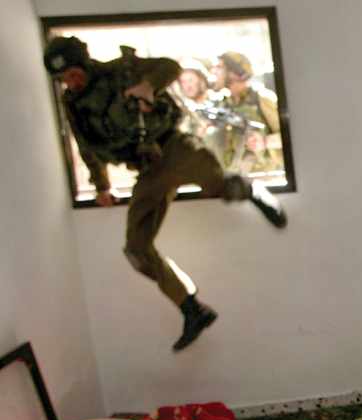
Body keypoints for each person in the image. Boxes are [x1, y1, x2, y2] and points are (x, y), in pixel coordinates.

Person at [43, 36, 288, 352]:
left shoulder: (122, 70)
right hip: (148, 169)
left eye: (73, 73)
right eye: (63, 79)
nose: (70, 82)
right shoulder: (73, 105)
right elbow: (87, 148)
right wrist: (101, 186)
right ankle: (191, 308)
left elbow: (169, 68)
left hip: (174, 147)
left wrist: (147, 86)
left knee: (219, 185)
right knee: (136, 248)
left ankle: (253, 190)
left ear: (84, 63)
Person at [210, 51, 283, 174]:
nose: (214, 72)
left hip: (264, 175)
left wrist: (265, 141)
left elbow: (290, 136)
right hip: (234, 177)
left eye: (219, 67)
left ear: (234, 73)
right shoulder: (222, 104)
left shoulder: (262, 99)